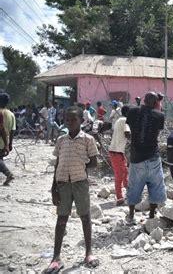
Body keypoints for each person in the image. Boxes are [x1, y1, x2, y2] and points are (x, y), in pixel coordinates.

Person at [47, 106, 99, 272]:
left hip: (80, 182)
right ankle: (56, 257)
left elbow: (94, 162)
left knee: (85, 216)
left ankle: (88, 252)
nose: (70, 122)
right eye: (67, 120)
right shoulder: (61, 140)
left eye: (73, 119)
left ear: (81, 120)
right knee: (61, 219)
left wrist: (81, 166)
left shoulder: (87, 139)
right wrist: (54, 187)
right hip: (62, 183)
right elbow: (57, 165)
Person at [126, 92, 166, 224]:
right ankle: (152, 215)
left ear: (143, 100)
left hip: (136, 157)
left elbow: (131, 129)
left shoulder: (132, 111)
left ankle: (131, 215)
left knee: (133, 187)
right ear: (156, 103)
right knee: (155, 186)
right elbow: (156, 133)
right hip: (153, 156)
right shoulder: (160, 115)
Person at [108, 106, 130, 205]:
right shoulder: (125, 120)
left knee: (125, 172)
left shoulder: (118, 120)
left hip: (117, 151)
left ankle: (129, 192)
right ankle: (119, 198)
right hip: (117, 152)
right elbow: (127, 133)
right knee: (119, 175)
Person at [0, 93, 15, 186]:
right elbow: (12, 130)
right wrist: (9, 144)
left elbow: (2, 129)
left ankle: (8, 174)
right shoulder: (11, 114)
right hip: (5, 141)